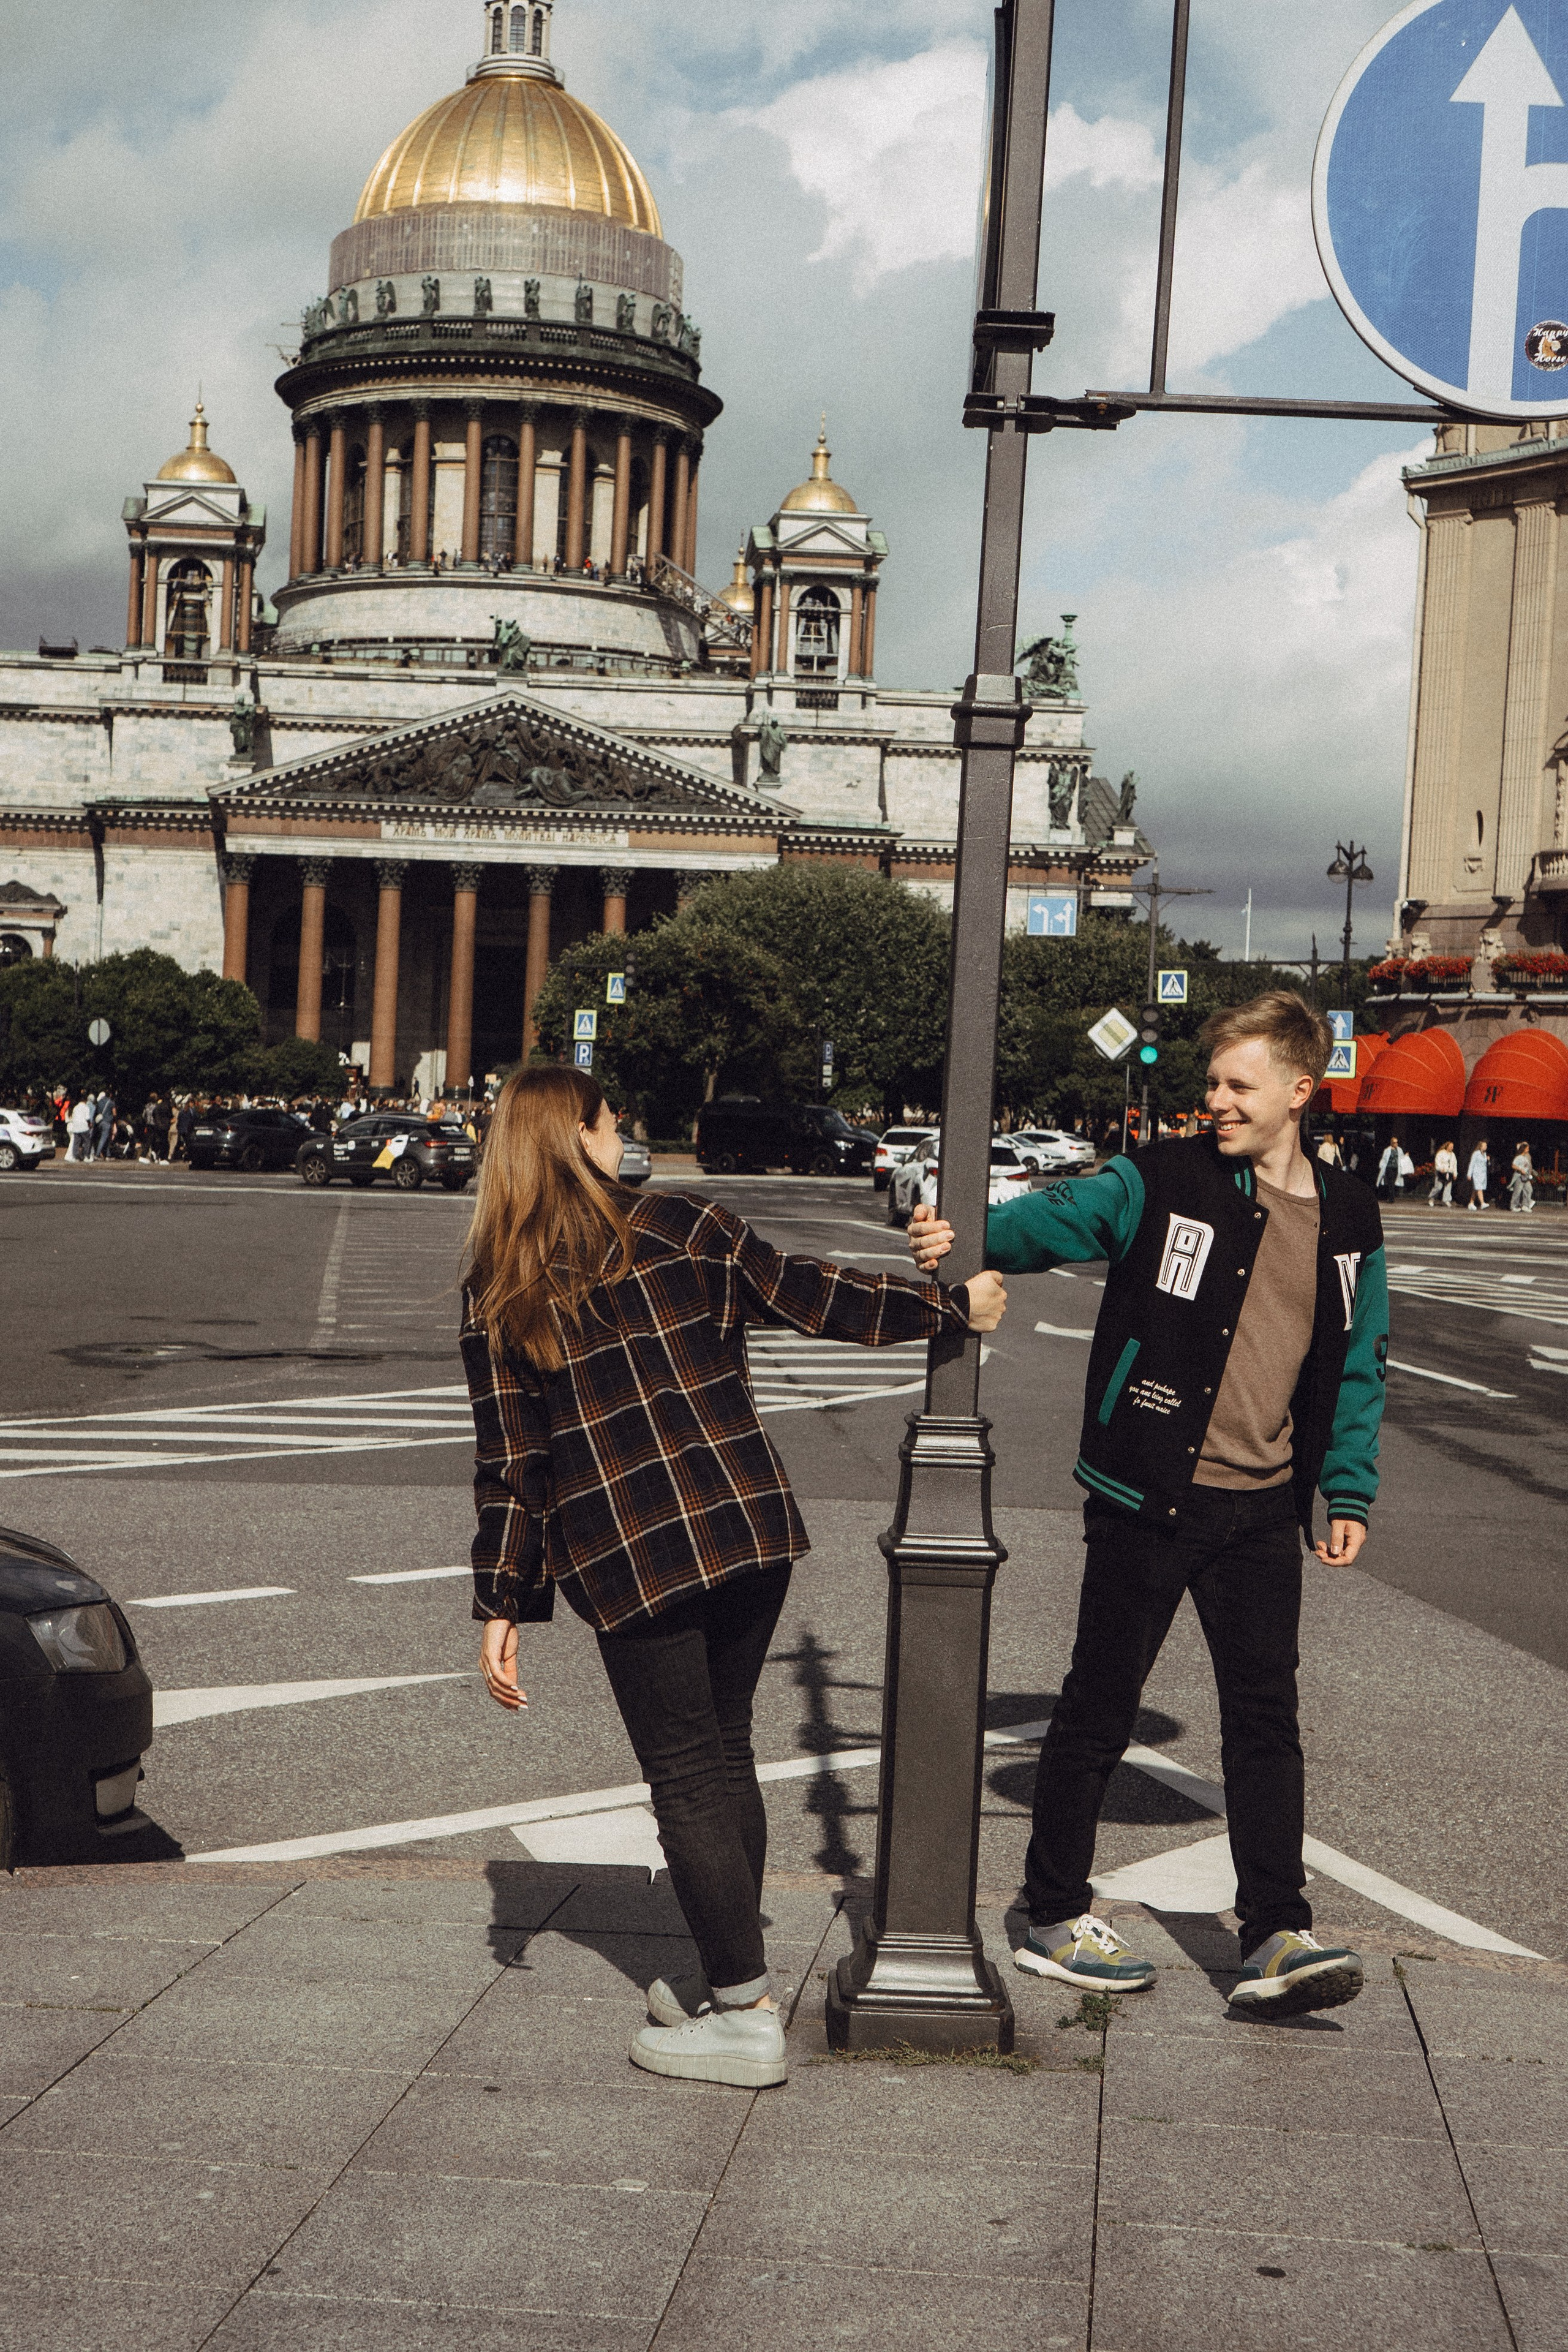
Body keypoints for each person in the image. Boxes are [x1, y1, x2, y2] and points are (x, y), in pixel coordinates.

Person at [462, 1067, 1006, 2088]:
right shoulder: (684, 1222)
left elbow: (513, 1466)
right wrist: (947, 1308)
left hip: (630, 1554)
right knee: (722, 1750)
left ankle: (744, 2013)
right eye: (614, 1122)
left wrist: (504, 1600)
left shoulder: (500, 1285)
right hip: (748, 1530)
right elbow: (816, 1296)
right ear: (577, 1135)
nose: (628, 1136)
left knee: (687, 1771)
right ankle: (728, 1978)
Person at [909, 991, 1386, 2021]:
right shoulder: (1160, 1181)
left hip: (1263, 1510)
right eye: (1211, 1082)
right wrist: (960, 1235)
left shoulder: (1348, 1213)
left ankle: (1273, 1932)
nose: (1214, 1100)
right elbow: (1053, 1222)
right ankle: (1050, 1913)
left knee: (1267, 1720)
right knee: (1097, 1707)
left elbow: (1358, 1364)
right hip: (1151, 1493)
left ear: (1300, 1092)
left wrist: (1345, 1484)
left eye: (1237, 1085)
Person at [1376, 1134, 1406, 1199]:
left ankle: (1391, 1195)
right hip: (1389, 1168)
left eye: (1397, 1142)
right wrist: (1381, 1166)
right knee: (1391, 1182)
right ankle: (1391, 1197)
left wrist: (1406, 1156)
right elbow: (1384, 1159)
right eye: (1394, 1143)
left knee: (1393, 1182)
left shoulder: (1399, 1150)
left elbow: (1402, 1158)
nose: (1396, 1144)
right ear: (1392, 1143)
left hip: (1396, 1168)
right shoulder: (1387, 1150)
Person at [1430, 1140, 1458, 1208]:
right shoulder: (1441, 1153)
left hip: (1449, 1172)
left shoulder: (1453, 1155)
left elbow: (1455, 1165)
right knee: (1439, 1187)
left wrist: (1455, 1174)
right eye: (1451, 1146)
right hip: (1441, 1172)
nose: (1452, 1148)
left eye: (1453, 1147)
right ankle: (1432, 1198)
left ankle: (1446, 1200)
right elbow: (1438, 1162)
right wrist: (1440, 1169)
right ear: (1447, 1146)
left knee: (1448, 1186)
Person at [66, 1094, 92, 1162]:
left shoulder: (76, 1108)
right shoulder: (86, 1107)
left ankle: (75, 1157)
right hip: (84, 1127)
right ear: (85, 1101)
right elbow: (88, 1118)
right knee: (87, 1142)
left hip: (76, 1127)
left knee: (76, 1142)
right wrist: (90, 1124)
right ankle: (87, 1156)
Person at [1509, 1140, 1534, 1213]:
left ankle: (1525, 1206)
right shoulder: (1519, 1157)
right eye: (1527, 1148)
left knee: (1529, 1190)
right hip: (1519, 1176)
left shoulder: (1527, 1157)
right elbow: (1513, 1166)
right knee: (1518, 1191)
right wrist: (1520, 1170)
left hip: (1526, 1177)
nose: (1528, 1149)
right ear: (1524, 1149)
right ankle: (1514, 1206)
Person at [1467, 1136, 1490, 1210]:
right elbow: (1472, 1164)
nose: (1486, 1147)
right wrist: (1469, 1174)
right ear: (1481, 1146)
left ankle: (1471, 1203)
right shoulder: (1476, 1154)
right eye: (1484, 1146)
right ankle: (1482, 1203)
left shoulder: (1485, 1154)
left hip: (1483, 1174)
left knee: (1476, 1189)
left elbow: (1487, 1165)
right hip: (1477, 1173)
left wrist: (1488, 1160)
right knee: (1479, 1188)